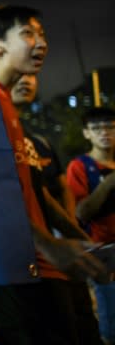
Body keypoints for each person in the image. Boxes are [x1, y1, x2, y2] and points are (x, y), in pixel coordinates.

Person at [0, 4, 108, 344]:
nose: (42, 43)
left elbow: (36, 191)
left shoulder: (7, 107)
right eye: (28, 34)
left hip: (42, 265)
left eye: (43, 35)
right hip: (10, 267)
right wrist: (49, 245)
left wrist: (79, 241)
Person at [12, 73, 104, 344]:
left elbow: (56, 189)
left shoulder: (40, 142)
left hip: (64, 249)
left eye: (30, 76)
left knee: (84, 321)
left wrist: (72, 236)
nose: (25, 81)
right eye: (17, 76)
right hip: (35, 257)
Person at [67, 106, 115, 344]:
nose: (104, 132)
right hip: (104, 253)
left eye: (109, 126)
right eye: (96, 128)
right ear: (86, 133)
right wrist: (109, 183)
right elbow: (80, 212)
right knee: (112, 322)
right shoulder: (80, 167)